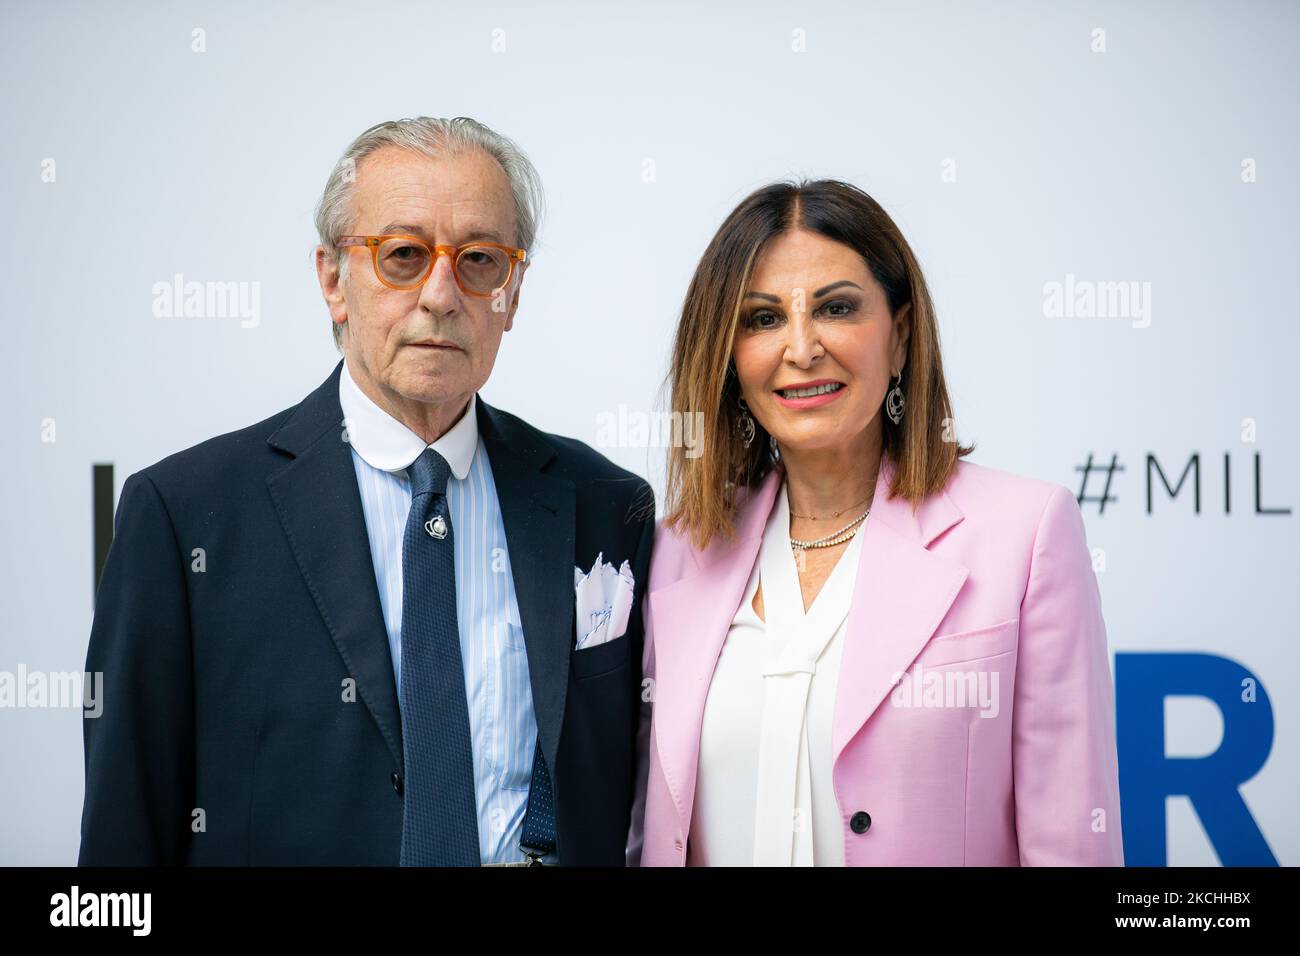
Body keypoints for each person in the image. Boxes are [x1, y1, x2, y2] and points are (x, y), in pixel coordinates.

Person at [79, 116, 653, 866]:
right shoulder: (185, 514)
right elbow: (125, 841)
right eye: (404, 255)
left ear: (512, 292)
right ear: (332, 279)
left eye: (479, 260)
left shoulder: (605, 505)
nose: (442, 295)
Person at [630, 179, 1123, 866]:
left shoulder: (1027, 534)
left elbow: (1071, 844)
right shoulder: (675, 552)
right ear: (727, 358)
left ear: (900, 338)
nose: (801, 349)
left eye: (835, 309)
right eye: (763, 319)